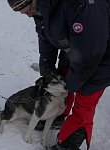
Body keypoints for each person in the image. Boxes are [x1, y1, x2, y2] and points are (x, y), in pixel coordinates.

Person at [7, 0, 110, 149]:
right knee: (62, 75)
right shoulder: (41, 8)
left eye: (23, 7)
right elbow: (45, 38)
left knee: (86, 94)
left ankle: (69, 143)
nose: (24, 13)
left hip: (103, 56)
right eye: (18, 10)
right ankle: (59, 113)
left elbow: (89, 54)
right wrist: (47, 70)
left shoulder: (83, 6)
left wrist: (68, 86)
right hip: (76, 49)